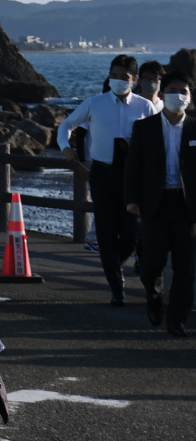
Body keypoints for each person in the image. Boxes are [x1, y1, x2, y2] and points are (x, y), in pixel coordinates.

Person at [58, 55, 153, 304]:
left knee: (131, 234)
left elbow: (158, 138)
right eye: (114, 75)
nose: (118, 80)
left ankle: (113, 265)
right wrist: (67, 150)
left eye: (124, 77)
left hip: (133, 174)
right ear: (109, 76)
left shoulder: (145, 107)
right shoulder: (94, 103)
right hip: (102, 173)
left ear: (134, 80)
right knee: (106, 232)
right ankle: (116, 289)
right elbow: (66, 125)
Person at [124, 71, 196, 337]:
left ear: (190, 96)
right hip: (155, 203)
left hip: (188, 206)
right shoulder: (145, 127)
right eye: (173, 91)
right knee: (151, 264)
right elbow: (133, 166)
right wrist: (131, 199)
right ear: (163, 94)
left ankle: (177, 320)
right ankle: (154, 298)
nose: (179, 96)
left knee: (185, 268)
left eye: (184, 91)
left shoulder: (194, 128)